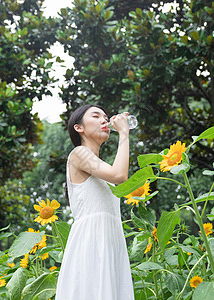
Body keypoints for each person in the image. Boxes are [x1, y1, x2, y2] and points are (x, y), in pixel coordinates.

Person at [55, 104, 135, 300]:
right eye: (96, 116)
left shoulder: (101, 167)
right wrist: (124, 133)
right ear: (79, 128)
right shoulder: (78, 154)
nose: (104, 120)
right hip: (91, 242)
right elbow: (120, 175)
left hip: (109, 240)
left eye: (106, 117)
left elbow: (117, 174)